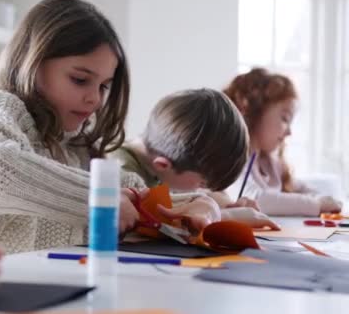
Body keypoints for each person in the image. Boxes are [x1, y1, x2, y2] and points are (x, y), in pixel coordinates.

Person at [0, 0, 221, 254]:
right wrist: (100, 197)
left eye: (103, 86)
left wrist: (200, 203)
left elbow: (131, 191)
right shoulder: (0, 107)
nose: (95, 100)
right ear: (33, 62)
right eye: (79, 79)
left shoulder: (74, 141)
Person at [111, 88, 279, 230]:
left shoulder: (172, 161)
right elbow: (152, 217)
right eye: (202, 183)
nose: (202, 189)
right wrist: (227, 216)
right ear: (163, 165)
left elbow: (205, 194)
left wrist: (229, 204)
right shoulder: (121, 171)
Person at [223, 68, 343, 216]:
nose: (289, 132)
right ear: (256, 112)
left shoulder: (270, 165)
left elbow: (306, 190)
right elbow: (256, 199)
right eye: (285, 119)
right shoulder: (232, 163)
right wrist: (316, 204)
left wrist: (323, 200)